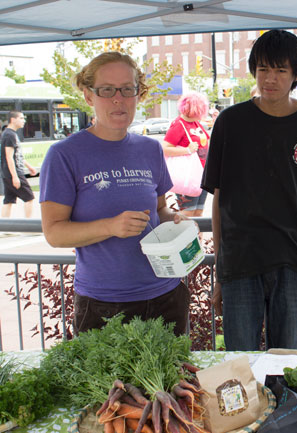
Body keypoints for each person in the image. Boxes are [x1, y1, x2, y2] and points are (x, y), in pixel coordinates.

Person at [202, 29, 297, 351]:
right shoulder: (230, 121)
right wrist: (220, 272)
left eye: (281, 70)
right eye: (264, 68)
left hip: (293, 262)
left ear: (296, 74)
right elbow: (219, 199)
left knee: (288, 361)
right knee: (241, 364)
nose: (270, 78)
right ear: (254, 70)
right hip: (240, 262)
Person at [39, 51, 194, 336]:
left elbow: (160, 209)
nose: (118, 99)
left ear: (138, 94)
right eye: (107, 90)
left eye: (127, 89)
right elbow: (54, 233)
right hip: (104, 304)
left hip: (166, 293)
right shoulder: (64, 155)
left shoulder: (150, 149)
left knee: (173, 381)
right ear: (88, 96)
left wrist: (175, 218)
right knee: (109, 383)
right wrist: (111, 227)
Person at [162, 93, 210, 217]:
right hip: (188, 176)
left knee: (198, 212)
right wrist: (187, 150)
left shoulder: (195, 123)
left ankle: (198, 237)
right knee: (188, 213)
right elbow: (164, 148)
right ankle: (188, 237)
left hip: (201, 175)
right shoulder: (179, 124)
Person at [1, 111, 37, 218]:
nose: (24, 121)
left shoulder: (9, 133)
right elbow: (9, 157)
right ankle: (28, 225)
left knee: (8, 200)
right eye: (21, 118)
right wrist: (15, 177)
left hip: (8, 174)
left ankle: (5, 228)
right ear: (13, 120)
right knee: (29, 198)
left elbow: (17, 155)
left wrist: (29, 166)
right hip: (14, 173)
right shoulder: (10, 135)